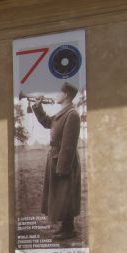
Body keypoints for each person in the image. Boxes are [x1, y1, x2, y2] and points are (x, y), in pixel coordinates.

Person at [31, 82, 82, 240]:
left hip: (64, 160)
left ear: (66, 94)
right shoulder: (64, 113)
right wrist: (38, 107)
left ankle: (69, 229)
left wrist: (62, 167)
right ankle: (65, 227)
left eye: (58, 92)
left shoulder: (72, 114)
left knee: (66, 194)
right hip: (56, 157)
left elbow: (69, 145)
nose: (56, 94)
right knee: (60, 194)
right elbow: (47, 122)